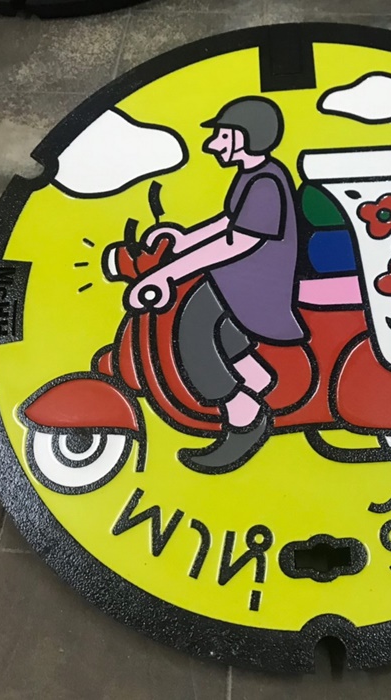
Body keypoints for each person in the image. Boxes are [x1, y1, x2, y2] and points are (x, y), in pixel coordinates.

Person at [128, 97, 305, 473]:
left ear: (247, 137)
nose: (213, 145)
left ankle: (245, 417)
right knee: (215, 323)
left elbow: (237, 242)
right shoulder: (254, 174)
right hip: (243, 276)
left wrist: (168, 273)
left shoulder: (266, 182)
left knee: (193, 328)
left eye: (223, 136)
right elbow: (229, 221)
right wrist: (184, 240)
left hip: (258, 282)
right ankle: (256, 378)